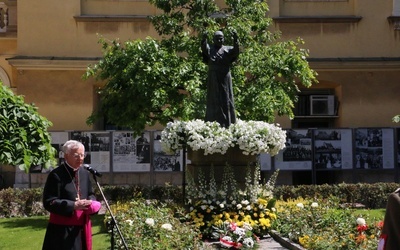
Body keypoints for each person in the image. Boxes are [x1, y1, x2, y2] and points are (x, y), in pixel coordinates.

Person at [42, 140, 101, 250]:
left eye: (82, 155)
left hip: (81, 228)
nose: (80, 158)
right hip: (61, 231)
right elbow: (49, 202)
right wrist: (73, 205)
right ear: (66, 156)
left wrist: (91, 202)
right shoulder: (56, 175)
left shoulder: (84, 173)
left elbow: (90, 194)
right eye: (76, 155)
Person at [201, 30, 239, 128]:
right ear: (213, 40)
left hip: (225, 77)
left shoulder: (227, 49)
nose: (219, 40)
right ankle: (212, 123)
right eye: (217, 38)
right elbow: (205, 49)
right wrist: (204, 39)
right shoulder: (211, 49)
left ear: (224, 39)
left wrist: (235, 39)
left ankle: (228, 123)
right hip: (213, 77)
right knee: (213, 99)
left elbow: (235, 51)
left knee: (226, 98)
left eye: (221, 38)